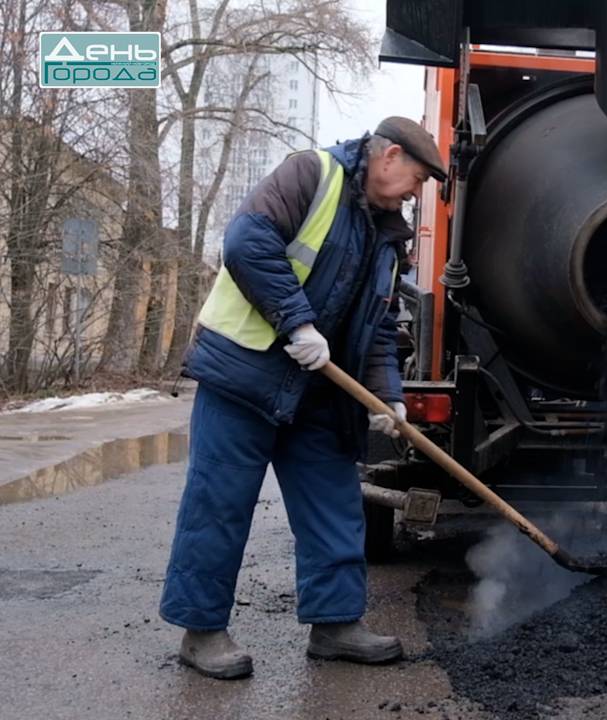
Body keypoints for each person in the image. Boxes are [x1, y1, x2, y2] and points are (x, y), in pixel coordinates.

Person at [159, 117, 447, 680]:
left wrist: (389, 401)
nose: (417, 194)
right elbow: (246, 242)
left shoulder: (389, 238)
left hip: (321, 390)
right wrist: (296, 323)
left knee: (334, 504)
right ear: (388, 157)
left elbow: (381, 329)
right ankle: (202, 632)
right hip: (246, 373)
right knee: (219, 504)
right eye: (416, 180)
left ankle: (336, 624)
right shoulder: (310, 174)